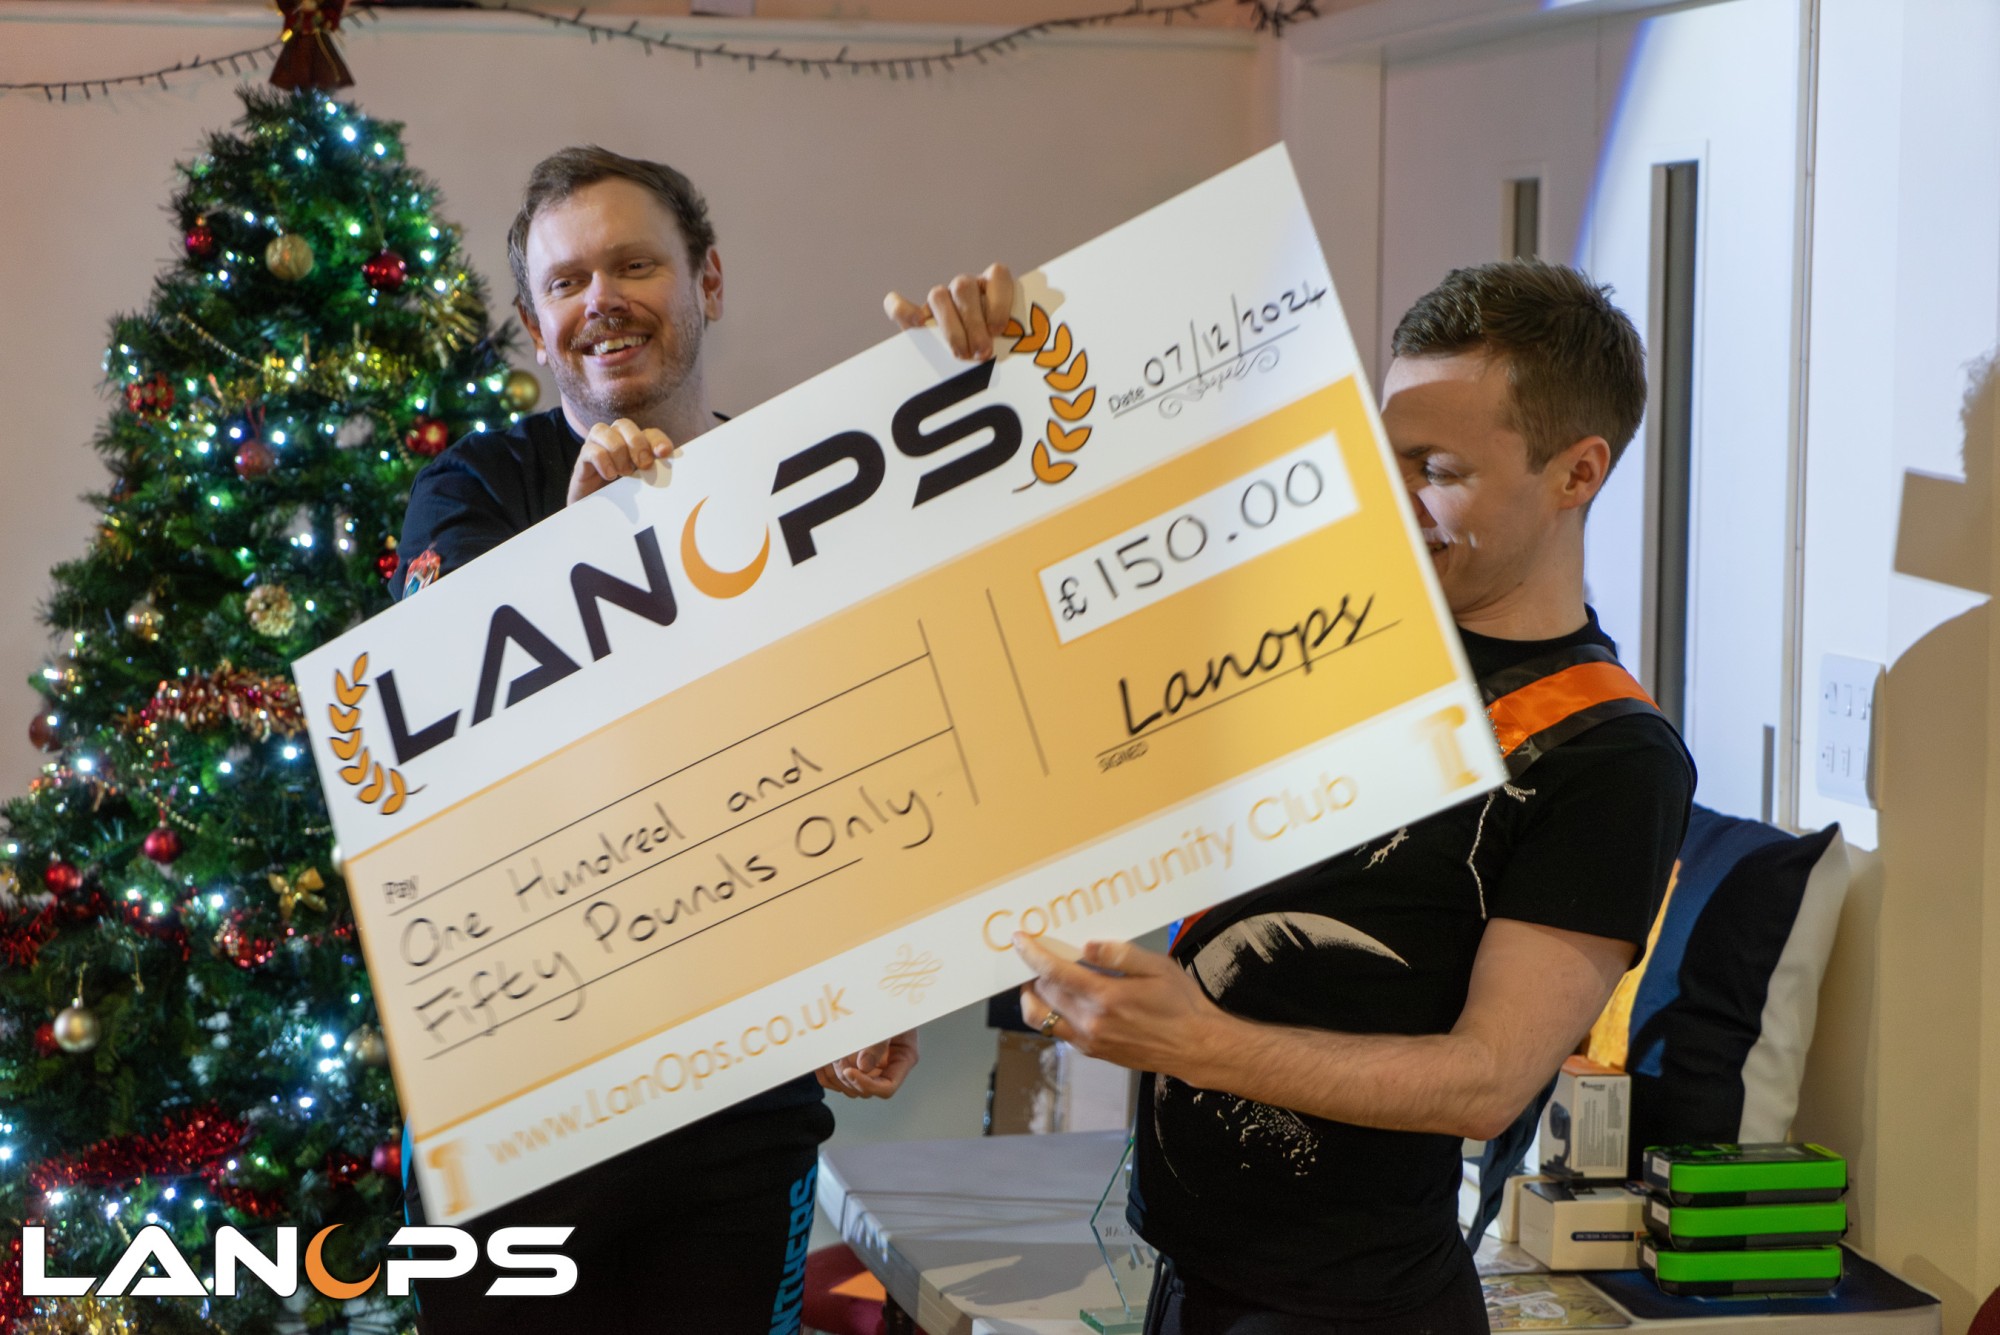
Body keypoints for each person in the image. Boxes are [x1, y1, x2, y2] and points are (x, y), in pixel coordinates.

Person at [1004, 261, 1696, 1334]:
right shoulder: (1339, 635)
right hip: (1191, 1277)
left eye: (1437, 470)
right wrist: (1005, 364)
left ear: (1577, 472)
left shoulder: (1607, 754)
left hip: (1353, 1307)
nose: (1391, 497)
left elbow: (1487, 1081)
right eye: (1382, 456)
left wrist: (1191, 1039)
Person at [392, 145, 960, 1333]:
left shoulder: (813, 487)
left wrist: (880, 973)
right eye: (566, 282)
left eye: (634, 264)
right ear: (535, 328)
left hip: (737, 1117)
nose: (600, 299)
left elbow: (870, 747)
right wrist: (587, 545)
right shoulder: (471, 491)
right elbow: (453, 745)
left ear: (707, 281)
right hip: (513, 1112)